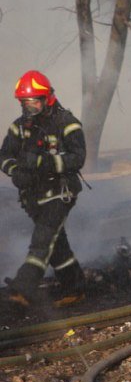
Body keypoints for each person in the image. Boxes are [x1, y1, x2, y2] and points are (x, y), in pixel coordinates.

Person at [0, 70, 86, 307]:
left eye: (34, 101)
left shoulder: (67, 123)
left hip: (60, 192)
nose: (30, 107)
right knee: (56, 244)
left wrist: (41, 162)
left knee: (42, 240)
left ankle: (22, 289)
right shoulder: (19, 127)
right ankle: (75, 288)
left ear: (47, 98)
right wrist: (15, 171)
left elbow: (77, 158)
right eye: (25, 102)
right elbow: (4, 155)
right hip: (33, 195)